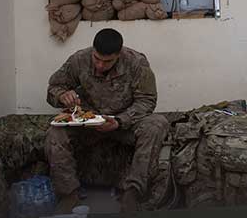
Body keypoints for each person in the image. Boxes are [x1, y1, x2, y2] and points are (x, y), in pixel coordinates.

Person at [44, 28, 169, 213]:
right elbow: (53, 87)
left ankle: (132, 192)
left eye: (107, 61)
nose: (100, 65)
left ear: (118, 55)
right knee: (55, 132)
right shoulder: (79, 60)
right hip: (88, 123)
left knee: (158, 124)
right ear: (92, 51)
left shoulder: (136, 63)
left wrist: (120, 121)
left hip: (123, 124)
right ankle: (69, 194)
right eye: (97, 59)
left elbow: (147, 100)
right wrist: (62, 95)